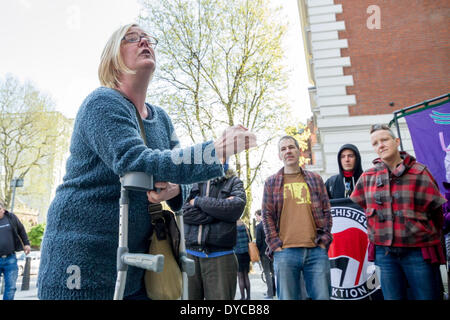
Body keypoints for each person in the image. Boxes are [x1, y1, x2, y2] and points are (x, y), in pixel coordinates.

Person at [37, 23, 256, 300]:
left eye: (147, 38)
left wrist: (176, 189)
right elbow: (135, 160)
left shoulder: (161, 118)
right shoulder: (101, 102)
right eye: (131, 38)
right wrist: (215, 150)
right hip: (81, 261)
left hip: (137, 267)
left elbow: (180, 175)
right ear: (113, 60)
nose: (144, 42)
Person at [350, 124, 447, 300]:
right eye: (375, 143)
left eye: (384, 139)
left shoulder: (420, 173)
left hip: (418, 252)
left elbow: (437, 214)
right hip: (384, 254)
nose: (380, 145)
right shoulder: (367, 178)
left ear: (396, 141)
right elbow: (363, 205)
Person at [261, 135, 333, 300]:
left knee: (322, 297)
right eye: (283, 149)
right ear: (280, 155)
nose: (288, 151)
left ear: (299, 151)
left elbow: (327, 211)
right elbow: (267, 215)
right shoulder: (271, 182)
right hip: (285, 252)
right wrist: (275, 245)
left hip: (316, 250)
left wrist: (324, 241)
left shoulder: (315, 179)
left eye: (291, 147)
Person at [182, 162, 246, 300]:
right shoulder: (190, 182)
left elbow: (235, 208)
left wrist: (198, 201)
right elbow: (183, 212)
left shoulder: (234, 181)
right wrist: (219, 211)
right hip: (189, 256)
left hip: (221, 257)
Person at [0, 200, 31, 300]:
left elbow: (21, 229)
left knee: (11, 287)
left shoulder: (11, 218)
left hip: (10, 259)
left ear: (3, 210)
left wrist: (26, 244)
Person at [255, 209, 275, 299]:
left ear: (260, 215)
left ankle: (270, 294)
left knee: (267, 273)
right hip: (272, 250)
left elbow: (258, 241)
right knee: (273, 272)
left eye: (256, 216)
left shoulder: (259, 227)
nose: (256, 218)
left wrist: (258, 251)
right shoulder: (270, 224)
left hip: (263, 252)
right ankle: (274, 291)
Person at [234, 219, 251, 300]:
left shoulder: (233, 227)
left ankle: (242, 297)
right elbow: (249, 239)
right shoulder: (245, 226)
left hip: (237, 254)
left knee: (240, 276)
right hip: (246, 254)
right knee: (246, 276)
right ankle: (248, 297)